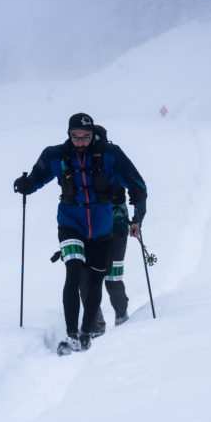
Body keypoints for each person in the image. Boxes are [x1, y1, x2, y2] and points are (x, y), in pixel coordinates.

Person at [14, 113, 147, 354]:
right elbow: (36, 178)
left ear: (93, 135)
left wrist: (137, 196)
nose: (80, 142)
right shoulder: (55, 155)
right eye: (75, 137)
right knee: (73, 272)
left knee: (95, 281)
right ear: (68, 134)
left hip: (101, 228)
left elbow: (137, 181)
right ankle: (72, 335)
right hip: (70, 223)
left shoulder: (110, 154)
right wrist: (26, 185)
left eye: (85, 137)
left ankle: (86, 334)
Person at [79, 126, 133, 337]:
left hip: (114, 227)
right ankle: (98, 323)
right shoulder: (80, 162)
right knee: (92, 279)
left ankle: (118, 318)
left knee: (110, 277)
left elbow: (132, 185)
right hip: (94, 229)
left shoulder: (112, 160)